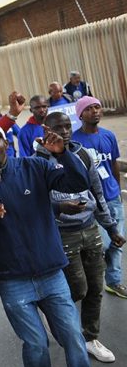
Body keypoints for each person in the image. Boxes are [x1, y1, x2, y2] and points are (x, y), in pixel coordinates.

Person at [0, 122, 118, 367]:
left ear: (6, 143)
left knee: (74, 339)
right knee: (36, 344)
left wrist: (63, 154)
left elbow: (78, 182)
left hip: (51, 273)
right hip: (12, 279)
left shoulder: (35, 166)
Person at [35, 112, 125, 363]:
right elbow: (36, 203)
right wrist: (60, 208)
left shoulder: (82, 154)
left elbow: (97, 192)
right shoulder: (37, 161)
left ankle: (90, 338)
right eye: (58, 127)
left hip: (90, 228)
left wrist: (111, 228)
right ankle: (55, 314)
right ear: (46, 129)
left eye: (67, 126)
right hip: (62, 233)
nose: (64, 131)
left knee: (95, 287)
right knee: (78, 287)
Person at [72, 97, 127, 299]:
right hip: (91, 202)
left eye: (97, 107)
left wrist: (117, 191)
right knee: (100, 244)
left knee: (117, 241)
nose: (95, 111)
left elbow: (114, 165)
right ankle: (85, 279)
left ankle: (113, 281)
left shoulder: (108, 135)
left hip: (112, 197)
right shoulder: (74, 141)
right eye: (89, 109)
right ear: (80, 115)